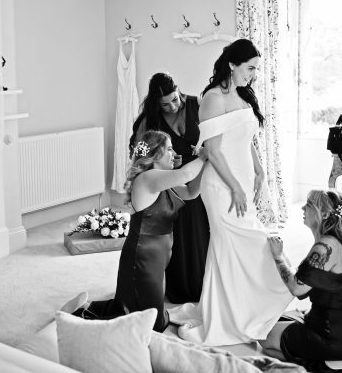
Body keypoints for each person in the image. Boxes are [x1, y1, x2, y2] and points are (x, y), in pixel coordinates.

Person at [169, 38, 292, 346]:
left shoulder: (241, 94)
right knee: (238, 242)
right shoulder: (212, 97)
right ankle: (227, 314)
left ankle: (242, 306)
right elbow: (213, 150)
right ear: (232, 65)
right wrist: (235, 187)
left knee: (244, 241)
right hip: (221, 184)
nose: (253, 75)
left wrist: (259, 169)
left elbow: (246, 137)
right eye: (250, 68)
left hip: (242, 178)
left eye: (256, 69)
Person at [62, 130, 206, 332]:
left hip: (158, 256)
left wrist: (205, 165)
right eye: (170, 149)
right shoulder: (148, 178)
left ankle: (86, 309)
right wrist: (204, 156)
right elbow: (186, 174)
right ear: (156, 155)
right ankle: (79, 316)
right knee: (149, 322)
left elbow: (191, 192)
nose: (174, 154)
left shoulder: (162, 179)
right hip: (143, 256)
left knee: (140, 309)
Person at [262, 189, 342, 372]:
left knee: (264, 339)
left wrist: (278, 257)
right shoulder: (341, 239)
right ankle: (322, 356)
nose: (302, 208)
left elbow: (297, 288)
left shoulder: (325, 246)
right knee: (278, 321)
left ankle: (321, 365)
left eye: (308, 205)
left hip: (335, 338)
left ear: (323, 214)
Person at [129, 72, 209, 304]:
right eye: (165, 105)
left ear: (179, 91)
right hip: (168, 182)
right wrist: (156, 165)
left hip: (198, 178)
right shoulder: (150, 120)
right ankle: (176, 287)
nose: (173, 107)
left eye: (175, 99)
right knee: (175, 236)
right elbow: (139, 151)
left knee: (200, 233)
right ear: (156, 104)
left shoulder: (199, 104)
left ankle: (202, 284)